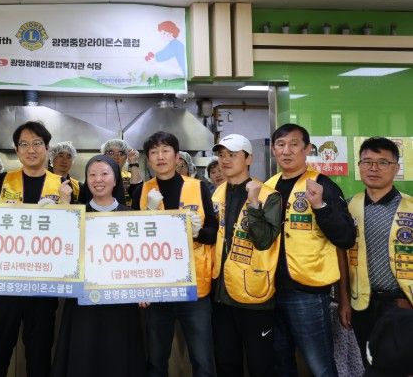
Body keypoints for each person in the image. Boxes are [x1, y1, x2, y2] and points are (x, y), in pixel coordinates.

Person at [0, 120, 72, 377]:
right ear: (16, 149)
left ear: (47, 148)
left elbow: (72, 235)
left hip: (43, 284)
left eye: (37, 144)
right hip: (4, 282)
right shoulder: (2, 181)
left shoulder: (64, 185)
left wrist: (64, 206)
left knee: (39, 354)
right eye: (24, 144)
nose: (31, 150)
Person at [265, 123, 356, 377]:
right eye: (281, 145)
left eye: (294, 144)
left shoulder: (322, 185)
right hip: (270, 291)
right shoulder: (268, 187)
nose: (286, 151)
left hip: (307, 292)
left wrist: (320, 206)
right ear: (273, 150)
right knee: (281, 364)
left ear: (307, 149)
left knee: (320, 366)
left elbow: (346, 238)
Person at [132, 131, 218, 377]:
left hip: (195, 288)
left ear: (177, 156)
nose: (160, 157)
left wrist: (198, 232)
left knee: (203, 360)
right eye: (154, 152)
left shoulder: (199, 187)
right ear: (148, 159)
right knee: (156, 360)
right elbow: (133, 243)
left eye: (165, 151)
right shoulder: (141, 192)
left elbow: (214, 232)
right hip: (157, 288)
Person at [51, 154, 145, 377]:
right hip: (83, 303)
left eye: (104, 174)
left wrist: (145, 288)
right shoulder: (76, 213)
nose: (98, 179)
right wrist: (63, 208)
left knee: (118, 357)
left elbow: (140, 259)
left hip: (121, 303)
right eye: (92, 175)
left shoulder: (131, 216)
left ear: (115, 179)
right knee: (83, 356)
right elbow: (60, 251)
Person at [210, 134, 282, 377]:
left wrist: (253, 203)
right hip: (221, 294)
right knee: (226, 363)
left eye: (232, 155)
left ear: (249, 158)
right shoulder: (217, 193)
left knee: (260, 365)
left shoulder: (268, 195)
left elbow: (263, 240)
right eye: (221, 155)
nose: (225, 160)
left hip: (255, 294)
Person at [347, 137, 413, 368]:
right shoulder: (348, 207)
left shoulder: (410, 208)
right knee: (368, 363)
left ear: (396, 168)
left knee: (402, 364)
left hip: (402, 302)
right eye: (367, 162)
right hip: (361, 304)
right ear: (359, 166)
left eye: (383, 162)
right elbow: (340, 258)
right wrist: (344, 302)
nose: (373, 168)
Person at [100, 139, 143, 206]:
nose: (116, 157)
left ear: (126, 157)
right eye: (111, 153)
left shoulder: (129, 177)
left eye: (121, 153)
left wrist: (133, 161)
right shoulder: (96, 178)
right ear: (104, 156)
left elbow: (138, 193)